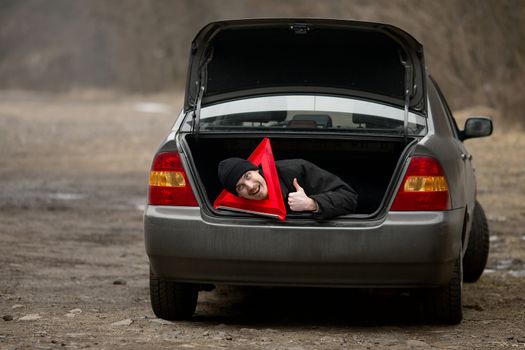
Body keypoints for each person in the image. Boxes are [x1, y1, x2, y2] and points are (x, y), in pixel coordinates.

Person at [217, 158, 358, 220]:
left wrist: (312, 203)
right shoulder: (238, 212)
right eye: (240, 187)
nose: (250, 186)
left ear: (257, 170)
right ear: (238, 195)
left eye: (248, 176)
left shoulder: (296, 169)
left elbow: (349, 197)